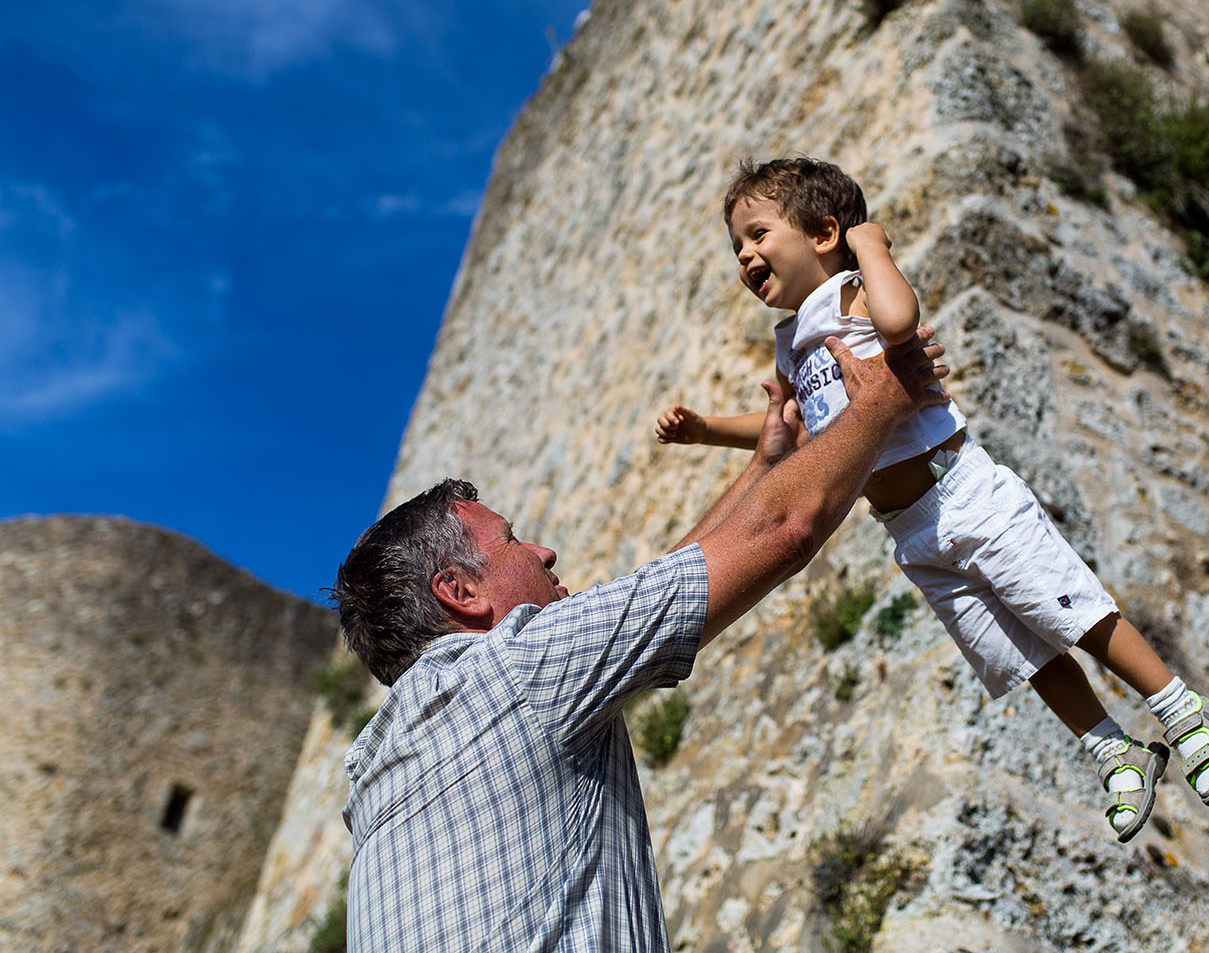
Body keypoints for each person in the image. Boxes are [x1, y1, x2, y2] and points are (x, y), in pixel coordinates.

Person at [654, 157, 1209, 843]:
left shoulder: (849, 293)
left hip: (962, 490)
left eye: (756, 233)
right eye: (737, 247)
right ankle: (1114, 750)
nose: (745, 254)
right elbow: (788, 431)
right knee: (1023, 651)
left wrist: (870, 245)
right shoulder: (791, 345)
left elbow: (900, 320)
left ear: (822, 232)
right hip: (911, 532)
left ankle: (1183, 709)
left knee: (1067, 610)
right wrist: (706, 431)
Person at [331, 328, 950, 951]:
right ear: (461, 593)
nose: (546, 552)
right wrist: (881, 397)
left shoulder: (377, 772)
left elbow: (651, 601)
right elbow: (784, 529)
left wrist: (765, 467)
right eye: (513, 540)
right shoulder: (518, 670)